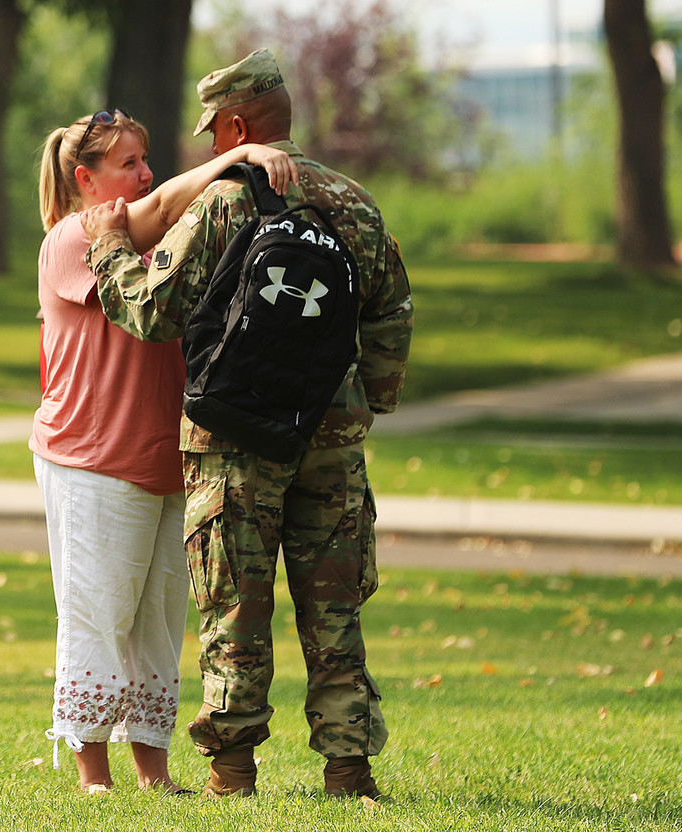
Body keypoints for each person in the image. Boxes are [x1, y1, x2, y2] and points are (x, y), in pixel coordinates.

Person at [81, 50, 414, 800]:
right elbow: (392, 309)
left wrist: (106, 247)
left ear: (236, 125)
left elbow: (151, 310)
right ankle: (348, 772)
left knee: (234, 605)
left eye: (213, 132)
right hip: (330, 440)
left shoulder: (224, 202)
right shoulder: (354, 202)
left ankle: (233, 773)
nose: (207, 148)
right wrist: (370, 401)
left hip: (234, 439)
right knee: (335, 608)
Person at [33, 109, 296, 795]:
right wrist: (232, 162)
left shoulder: (157, 243)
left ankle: (152, 770)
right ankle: (94, 776)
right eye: (128, 162)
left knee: (156, 621)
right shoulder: (73, 237)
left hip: (165, 458)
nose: (144, 173)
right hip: (90, 459)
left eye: (147, 158)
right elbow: (155, 209)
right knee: (99, 612)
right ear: (85, 180)